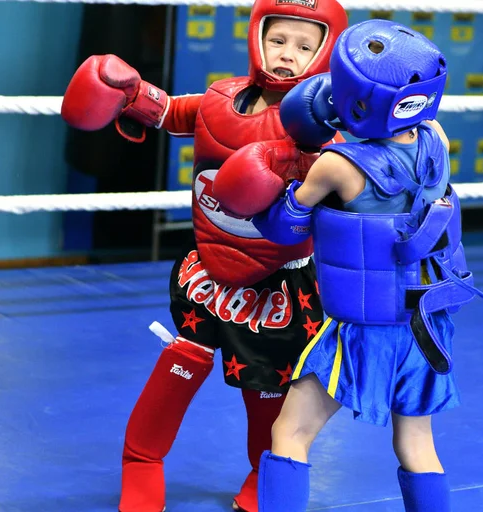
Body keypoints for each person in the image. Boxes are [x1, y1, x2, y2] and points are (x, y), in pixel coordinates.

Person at [60, 1, 348, 511]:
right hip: (209, 271)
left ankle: (264, 474)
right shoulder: (220, 99)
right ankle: (141, 464)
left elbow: (350, 195)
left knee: (265, 390)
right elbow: (168, 112)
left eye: (305, 46)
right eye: (278, 39)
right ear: (257, 37)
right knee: (180, 365)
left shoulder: (327, 130)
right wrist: (127, 90)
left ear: (325, 52)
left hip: (276, 285)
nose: (287, 55)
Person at [233, 19, 483, 512]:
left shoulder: (338, 167)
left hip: (361, 331)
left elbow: (282, 226)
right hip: (425, 325)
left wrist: (271, 175)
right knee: (416, 444)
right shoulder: (437, 138)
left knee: (290, 431)